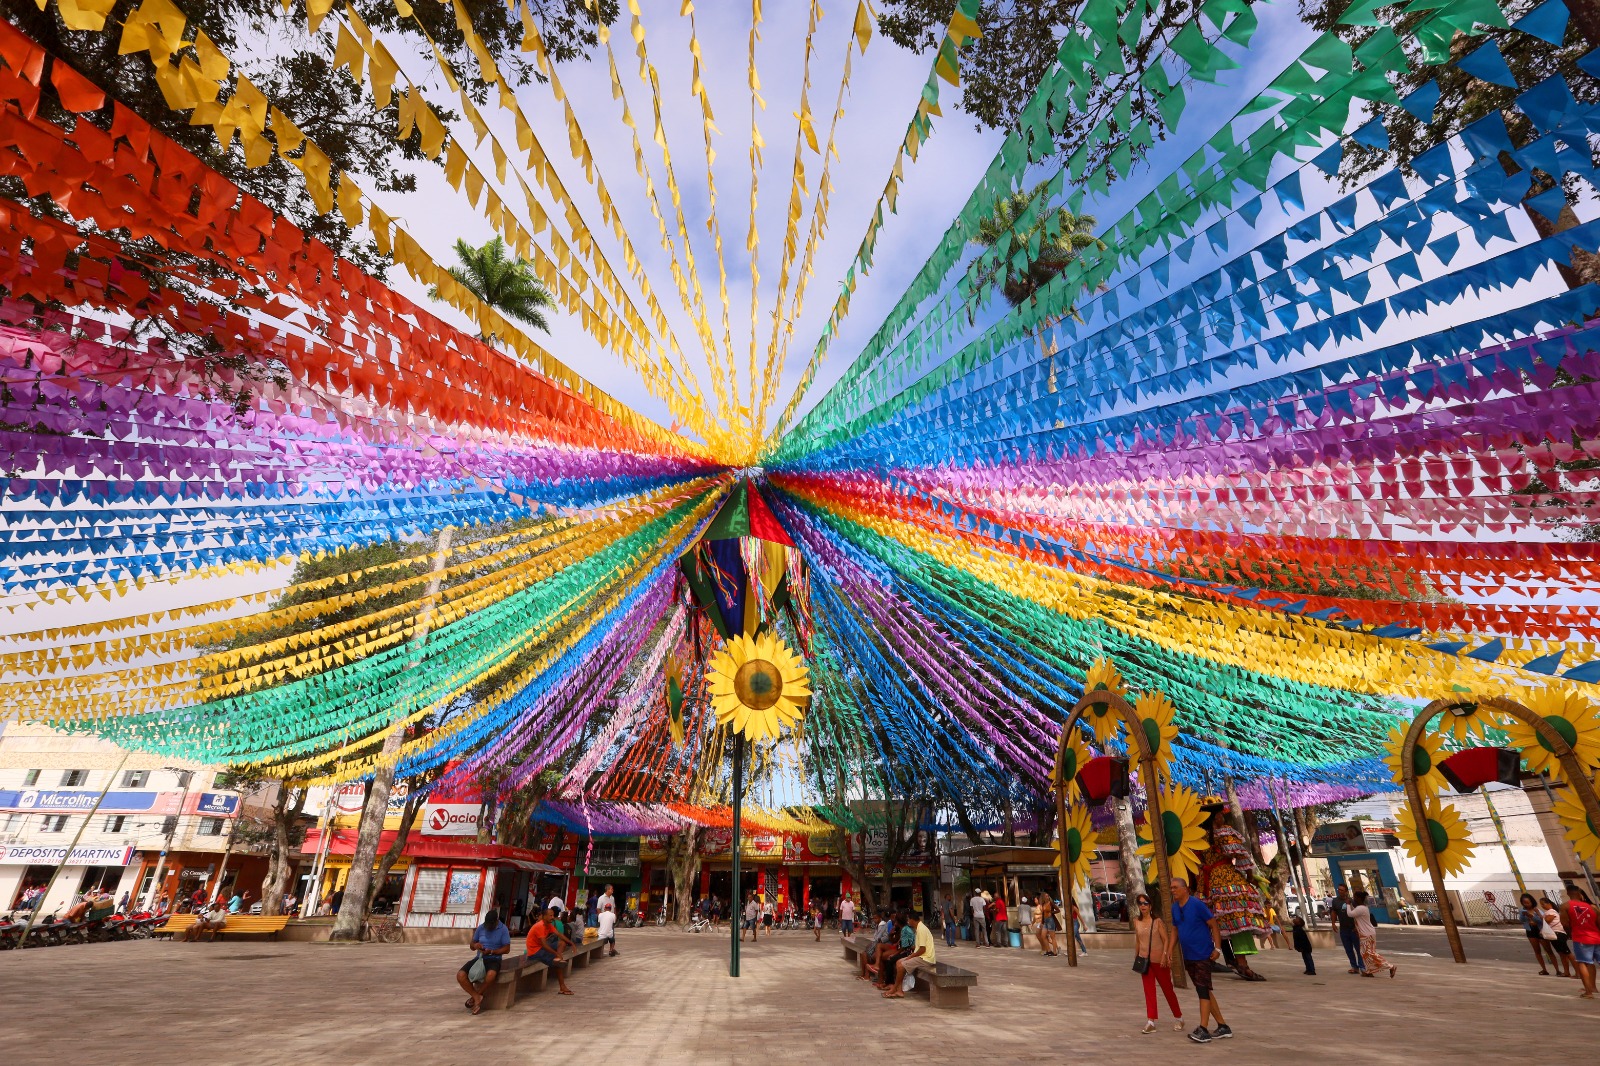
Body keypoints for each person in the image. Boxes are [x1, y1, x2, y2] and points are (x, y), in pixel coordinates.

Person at [1171, 877, 1232, 1044]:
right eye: (1171, 888)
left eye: (1175, 887)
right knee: (1203, 989)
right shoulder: (1174, 907)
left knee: (1203, 990)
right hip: (1188, 955)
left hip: (1203, 954)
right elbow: (1175, 930)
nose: (1172, 890)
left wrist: (1217, 948)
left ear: (1185, 889)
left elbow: (1213, 925)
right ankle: (1223, 1026)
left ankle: (1203, 1029)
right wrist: (1168, 951)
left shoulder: (1197, 904)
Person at [1132, 891, 1184, 1034]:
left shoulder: (1157, 921)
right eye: (1140, 903)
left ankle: (1179, 1017)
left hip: (1159, 960)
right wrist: (1136, 957)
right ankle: (1151, 1021)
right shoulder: (1136, 921)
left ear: (1150, 905)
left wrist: (1165, 955)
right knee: (1149, 991)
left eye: (1145, 903)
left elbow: (1166, 939)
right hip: (1145, 961)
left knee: (1167, 989)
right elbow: (1138, 941)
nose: (1143, 906)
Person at [456, 908, 511, 1014]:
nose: (488, 927)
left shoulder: (503, 929)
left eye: (491, 925)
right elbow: (472, 945)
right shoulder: (481, 928)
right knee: (460, 975)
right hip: (480, 958)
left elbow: (507, 949)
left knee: (491, 975)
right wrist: (476, 945)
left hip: (494, 959)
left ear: (496, 921)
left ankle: (477, 995)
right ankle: (477, 996)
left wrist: (493, 951)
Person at [1560, 883, 1600, 999]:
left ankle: (1588, 992)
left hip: (1581, 937)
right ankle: (1593, 987)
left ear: (1568, 893)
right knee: (1592, 963)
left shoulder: (1565, 906)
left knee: (1583, 963)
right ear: (1579, 893)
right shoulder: (1593, 907)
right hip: (1596, 937)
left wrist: (1569, 934)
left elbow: (1565, 924)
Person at [885, 911, 937, 998]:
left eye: (909, 919)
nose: (908, 921)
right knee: (898, 962)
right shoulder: (919, 928)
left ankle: (894, 988)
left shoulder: (921, 929)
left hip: (925, 958)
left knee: (901, 965)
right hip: (921, 956)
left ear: (912, 920)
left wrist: (910, 956)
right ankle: (899, 990)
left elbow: (922, 949)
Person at [525, 906, 575, 995]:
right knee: (558, 963)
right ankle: (562, 987)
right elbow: (544, 945)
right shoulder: (540, 926)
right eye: (550, 916)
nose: (552, 917)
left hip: (541, 948)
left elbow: (559, 934)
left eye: (553, 915)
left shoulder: (548, 925)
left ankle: (558, 958)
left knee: (562, 943)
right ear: (544, 916)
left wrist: (571, 943)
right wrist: (556, 954)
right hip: (534, 952)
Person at [1348, 890, 1395, 978]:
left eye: (1354, 897)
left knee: (1369, 953)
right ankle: (1369, 971)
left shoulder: (1361, 908)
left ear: (1359, 898)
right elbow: (1355, 913)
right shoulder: (1362, 908)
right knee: (1364, 953)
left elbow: (1350, 914)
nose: (1353, 899)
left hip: (1366, 934)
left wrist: (1347, 904)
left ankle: (1390, 966)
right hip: (1368, 933)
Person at [1521, 892, 1560, 976]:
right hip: (1530, 930)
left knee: (1548, 950)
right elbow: (1522, 920)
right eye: (1524, 903)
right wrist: (1524, 915)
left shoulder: (1537, 910)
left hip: (1540, 930)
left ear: (1532, 902)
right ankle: (1544, 969)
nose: (1527, 904)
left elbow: (1542, 921)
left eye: (1528, 902)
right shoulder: (1522, 910)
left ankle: (1557, 969)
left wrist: (1532, 916)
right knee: (1537, 951)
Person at [1537, 897, 1575, 979]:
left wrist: (1539, 914)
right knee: (1562, 954)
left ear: (1548, 903)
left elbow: (1547, 920)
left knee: (1567, 953)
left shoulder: (1551, 911)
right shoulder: (1550, 912)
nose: (1542, 906)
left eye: (1543, 904)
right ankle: (1566, 972)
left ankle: (1578, 971)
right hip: (1555, 934)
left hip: (1558, 934)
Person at [1330, 884, 1362, 974]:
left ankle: (1362, 966)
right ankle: (1354, 966)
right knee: (1348, 949)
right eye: (1339, 890)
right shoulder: (1335, 901)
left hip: (1353, 929)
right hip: (1344, 929)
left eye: (1342, 890)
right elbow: (1334, 912)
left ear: (1346, 891)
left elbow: (1358, 914)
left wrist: (1357, 926)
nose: (1340, 891)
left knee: (1358, 949)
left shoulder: (1352, 901)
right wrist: (1333, 923)